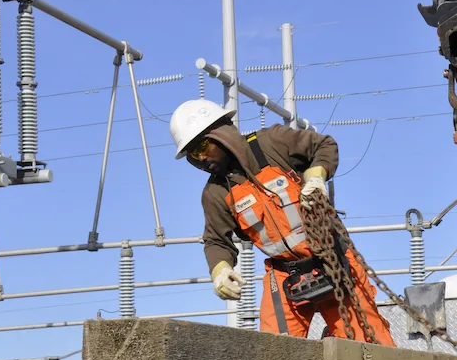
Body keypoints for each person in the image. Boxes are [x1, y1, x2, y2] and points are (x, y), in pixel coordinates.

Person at [169, 98, 395, 345]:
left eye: (201, 148)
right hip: (284, 276)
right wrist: (220, 271)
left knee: (370, 348)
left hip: (332, 259)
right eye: (191, 155)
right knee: (273, 356)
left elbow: (323, 146)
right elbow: (216, 239)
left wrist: (315, 179)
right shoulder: (216, 193)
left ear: (221, 134)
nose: (199, 159)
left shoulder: (271, 143)